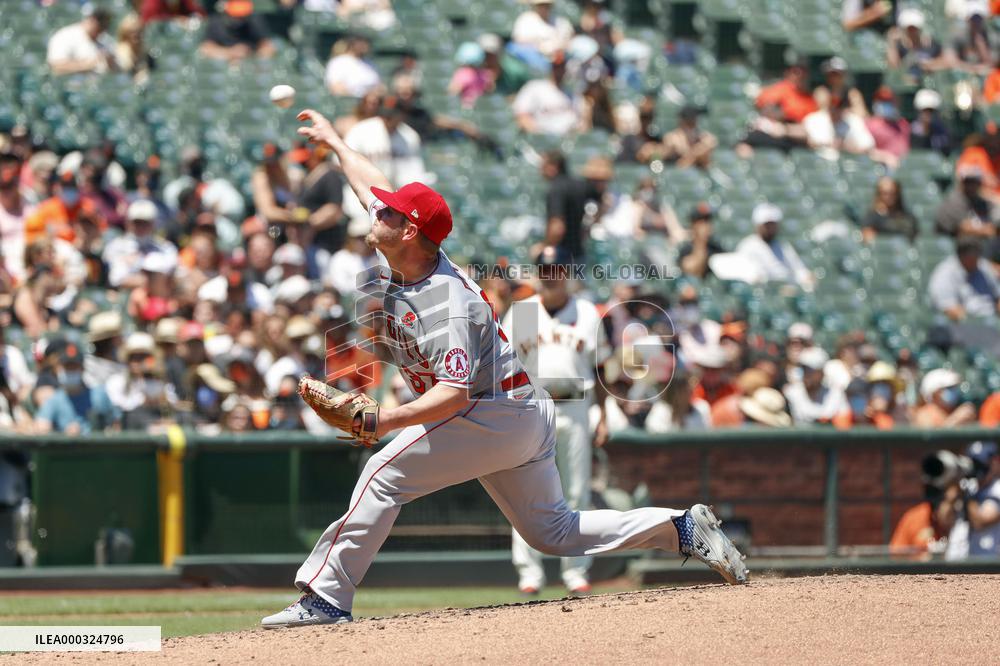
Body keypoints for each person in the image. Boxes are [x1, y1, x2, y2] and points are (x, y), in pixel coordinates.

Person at [259, 108, 748, 628]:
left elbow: (454, 394)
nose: (375, 212)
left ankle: (326, 597)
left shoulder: (443, 298)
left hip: (489, 412)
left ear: (409, 232)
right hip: (520, 411)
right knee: (552, 533)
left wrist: (383, 421)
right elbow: (373, 185)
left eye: (389, 214)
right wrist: (336, 143)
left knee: (383, 475)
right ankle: (681, 529)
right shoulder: (409, 254)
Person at [502, 246, 610, 595]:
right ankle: (529, 572)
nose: (552, 275)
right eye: (545, 269)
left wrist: (604, 414)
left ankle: (575, 569)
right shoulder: (523, 312)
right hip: (532, 409)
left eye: (557, 269)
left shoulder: (587, 312)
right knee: (526, 491)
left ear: (566, 273)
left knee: (577, 490)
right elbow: (505, 367)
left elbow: (601, 368)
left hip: (577, 407)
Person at [34, 342, 119, 435]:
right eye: (67, 367)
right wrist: (63, 435)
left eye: (74, 367)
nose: (70, 371)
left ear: (82, 369)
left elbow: (115, 423)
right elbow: (41, 426)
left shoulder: (99, 395)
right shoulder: (54, 400)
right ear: (58, 369)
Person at [734, 203, 815, 289]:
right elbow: (753, 277)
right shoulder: (747, 246)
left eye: (773, 224)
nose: (770, 228)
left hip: (788, 290)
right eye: (767, 225)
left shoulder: (783, 246)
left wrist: (806, 277)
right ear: (758, 225)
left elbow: (799, 269)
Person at [102, 199, 178, 289]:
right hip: (125, 296)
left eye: (145, 223)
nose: (141, 227)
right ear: (129, 223)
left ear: (153, 224)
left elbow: (171, 274)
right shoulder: (116, 246)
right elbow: (115, 279)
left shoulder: (165, 248)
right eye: (137, 222)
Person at [928, 237, 1000, 321]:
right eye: (973, 256)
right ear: (962, 256)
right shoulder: (944, 274)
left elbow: (998, 296)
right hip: (964, 327)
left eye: (978, 255)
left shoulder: (983, 266)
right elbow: (951, 310)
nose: (977, 260)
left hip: (993, 321)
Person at [540, 151, 591, 262]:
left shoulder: (556, 188)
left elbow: (557, 228)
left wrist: (544, 247)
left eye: (543, 165)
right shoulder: (580, 184)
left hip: (561, 254)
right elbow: (604, 202)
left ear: (554, 167)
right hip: (579, 252)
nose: (541, 170)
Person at [512, 53, 579, 136]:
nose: (560, 70)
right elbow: (522, 116)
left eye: (563, 67)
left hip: (567, 141)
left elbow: (580, 122)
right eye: (557, 67)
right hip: (541, 139)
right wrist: (539, 136)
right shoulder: (535, 87)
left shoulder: (571, 91)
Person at [782, 347, 849, 425]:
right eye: (803, 369)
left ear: (821, 372)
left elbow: (844, 424)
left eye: (810, 370)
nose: (806, 374)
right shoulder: (790, 393)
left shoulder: (836, 394)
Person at [47, 5, 115, 76]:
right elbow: (55, 66)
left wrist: (110, 63)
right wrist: (87, 65)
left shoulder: (106, 40)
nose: (103, 29)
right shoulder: (65, 36)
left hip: (99, 84)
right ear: (92, 20)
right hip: (71, 84)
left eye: (106, 26)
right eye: (102, 25)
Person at [886, 8, 949, 84]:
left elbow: (946, 62)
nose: (912, 31)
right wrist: (892, 43)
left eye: (914, 28)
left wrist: (928, 65)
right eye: (909, 29)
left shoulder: (932, 45)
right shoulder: (899, 47)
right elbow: (894, 66)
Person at [199, 0, 275, 63]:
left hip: (250, 64)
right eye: (236, 16)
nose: (239, 19)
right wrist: (230, 53)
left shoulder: (255, 20)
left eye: (243, 16)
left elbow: (268, 47)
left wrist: (251, 56)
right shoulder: (216, 21)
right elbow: (206, 49)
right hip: (224, 63)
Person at [934, 165, 997, 241]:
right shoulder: (953, 201)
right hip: (953, 243)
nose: (972, 185)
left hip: (977, 245)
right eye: (968, 182)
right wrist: (989, 230)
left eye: (975, 182)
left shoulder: (981, 201)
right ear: (962, 183)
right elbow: (962, 227)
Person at [803, 96, 875, 161]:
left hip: (847, 164)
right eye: (832, 106)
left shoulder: (854, 121)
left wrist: (847, 147)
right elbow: (809, 143)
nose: (835, 110)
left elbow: (868, 146)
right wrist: (826, 144)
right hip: (820, 163)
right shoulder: (813, 119)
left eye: (839, 107)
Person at [0, 152, 34, 284]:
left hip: (31, 257)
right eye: (3, 187)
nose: (7, 191)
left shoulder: (28, 199)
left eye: (10, 186)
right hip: (6, 266)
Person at [325, 216, 380, 295]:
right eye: (358, 238)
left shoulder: (379, 257)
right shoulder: (340, 258)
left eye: (365, 237)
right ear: (350, 238)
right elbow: (341, 288)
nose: (363, 241)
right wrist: (366, 278)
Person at [913, 368, 978, 427]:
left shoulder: (955, 410)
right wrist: (955, 420)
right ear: (934, 393)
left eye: (954, 387)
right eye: (949, 388)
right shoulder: (924, 415)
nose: (954, 391)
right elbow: (930, 438)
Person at [861, 176, 918, 242]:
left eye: (893, 193)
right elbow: (868, 237)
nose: (889, 197)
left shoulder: (907, 216)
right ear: (879, 194)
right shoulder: (871, 216)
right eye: (885, 193)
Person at [865, 87, 910, 169]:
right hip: (880, 168)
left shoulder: (903, 124)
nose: (885, 104)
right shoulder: (870, 124)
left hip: (902, 168)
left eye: (888, 101)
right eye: (882, 101)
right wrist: (885, 157)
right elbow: (865, 151)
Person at [678, 203, 724, 279]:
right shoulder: (686, 248)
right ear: (693, 224)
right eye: (702, 221)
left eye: (708, 220)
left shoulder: (716, 247)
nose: (707, 225)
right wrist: (701, 242)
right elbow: (692, 272)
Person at [449, 42, 493, 109]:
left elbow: (453, 91)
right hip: (479, 108)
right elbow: (489, 90)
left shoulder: (463, 73)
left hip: (466, 108)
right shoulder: (486, 74)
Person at [909, 89, 952, 154]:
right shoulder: (912, 130)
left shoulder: (941, 130)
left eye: (931, 111)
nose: (928, 114)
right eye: (925, 110)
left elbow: (946, 150)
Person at [115, 13, 153, 84]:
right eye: (132, 32)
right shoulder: (119, 52)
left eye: (139, 31)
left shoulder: (145, 51)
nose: (137, 35)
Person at [140, 0, 206, 24]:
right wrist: (175, 19)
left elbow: (199, 13)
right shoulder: (152, 3)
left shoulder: (184, 2)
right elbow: (148, 20)